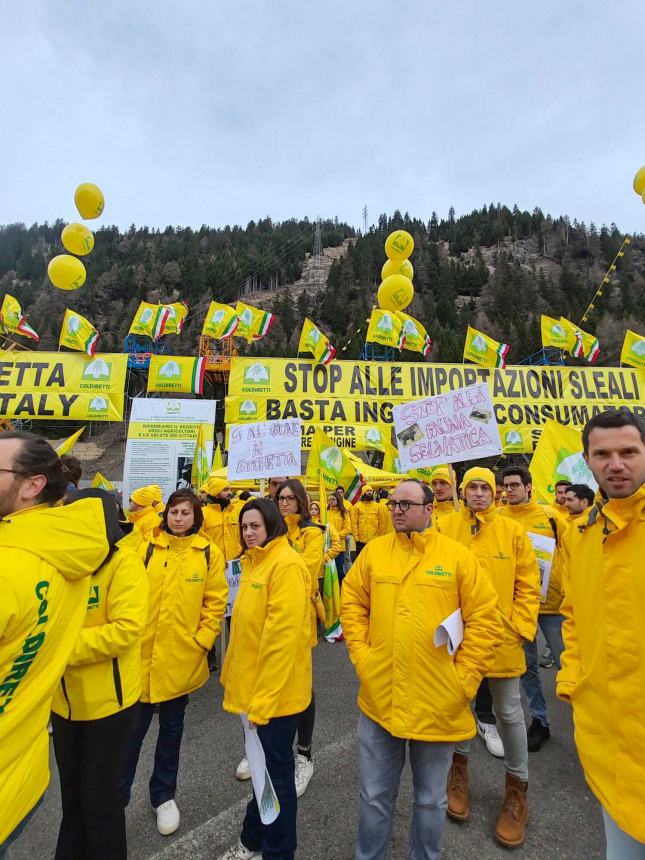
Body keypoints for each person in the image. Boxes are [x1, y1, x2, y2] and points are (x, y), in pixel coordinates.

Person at [341, 479, 501, 860]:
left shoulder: (458, 557)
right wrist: (364, 658)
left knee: (431, 802)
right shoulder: (375, 553)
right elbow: (352, 605)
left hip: (439, 703)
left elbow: (484, 621)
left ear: (429, 510)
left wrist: (462, 683)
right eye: (393, 503)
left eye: (406, 504)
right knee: (374, 797)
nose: (396, 509)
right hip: (381, 698)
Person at [0, 432, 118, 855]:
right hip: (21, 770)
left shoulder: (15, 564)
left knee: (102, 802)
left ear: (32, 485)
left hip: (111, 696)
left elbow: (127, 626)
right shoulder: (64, 553)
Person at [557, 410, 645, 858]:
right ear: (587, 462)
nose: (616, 463)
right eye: (603, 454)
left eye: (628, 452)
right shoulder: (581, 536)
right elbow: (573, 613)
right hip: (608, 740)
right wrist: (572, 680)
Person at [437, 467, 540, 849]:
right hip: (458, 638)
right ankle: (457, 774)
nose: (478, 493)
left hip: (502, 639)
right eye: (472, 487)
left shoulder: (513, 531)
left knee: (509, 712)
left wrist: (519, 627)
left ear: (495, 493)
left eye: (485, 487)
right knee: (459, 705)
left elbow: (528, 583)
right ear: (463, 492)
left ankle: (517, 790)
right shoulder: (445, 525)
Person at [120, 489, 227, 836]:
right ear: (164, 514)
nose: (178, 518)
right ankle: (115, 797)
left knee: (171, 732)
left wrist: (201, 642)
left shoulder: (209, 553)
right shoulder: (146, 545)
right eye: (173, 512)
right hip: (140, 659)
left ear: (196, 517)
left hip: (181, 660)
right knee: (129, 736)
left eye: (185, 513)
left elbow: (215, 602)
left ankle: (163, 795)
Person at [50, 489, 149, 860]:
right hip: (63, 706)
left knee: (102, 805)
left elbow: (125, 629)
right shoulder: (59, 565)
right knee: (72, 800)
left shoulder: (124, 564)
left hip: (110, 707)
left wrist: (61, 649)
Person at [218, 498, 312, 860]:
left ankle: (278, 851)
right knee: (264, 775)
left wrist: (264, 701)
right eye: (244, 527)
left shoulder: (285, 565)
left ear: (271, 525)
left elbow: (282, 641)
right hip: (254, 694)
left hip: (273, 699)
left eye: (255, 526)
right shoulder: (255, 563)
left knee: (276, 778)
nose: (248, 533)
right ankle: (253, 840)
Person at [501, 466, 568, 752]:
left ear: (529, 487)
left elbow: (575, 551)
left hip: (554, 605)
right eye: (505, 486)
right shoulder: (500, 519)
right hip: (520, 606)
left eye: (515, 485)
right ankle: (540, 721)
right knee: (528, 668)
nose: (509, 491)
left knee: (570, 664)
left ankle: (592, 723)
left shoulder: (551, 517)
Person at [276, 479, 324, 798]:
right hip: (270, 620)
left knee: (301, 685)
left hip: (300, 619)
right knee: (273, 683)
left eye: (291, 498)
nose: (285, 503)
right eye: (280, 498)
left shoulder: (312, 533)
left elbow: (305, 573)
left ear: (302, 502)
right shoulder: (271, 529)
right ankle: (272, 746)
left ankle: (304, 754)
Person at [201, 475, 243, 561]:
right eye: (225, 490)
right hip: (213, 563)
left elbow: (241, 537)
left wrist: (239, 553)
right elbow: (200, 540)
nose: (230, 493)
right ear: (215, 493)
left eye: (229, 489)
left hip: (234, 563)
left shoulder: (235, 511)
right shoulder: (203, 513)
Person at [351, 484, 390, 555]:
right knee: (361, 562)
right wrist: (356, 538)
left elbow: (382, 523)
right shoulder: (357, 506)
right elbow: (354, 523)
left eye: (371, 491)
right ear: (363, 493)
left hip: (374, 540)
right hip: (361, 541)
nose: (369, 492)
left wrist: (380, 538)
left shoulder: (377, 506)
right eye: (367, 491)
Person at [327, 491, 352, 585]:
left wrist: (335, 537)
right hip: (327, 546)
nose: (331, 501)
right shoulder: (326, 512)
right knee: (329, 571)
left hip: (339, 547)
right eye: (330, 500)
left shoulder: (344, 513)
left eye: (333, 499)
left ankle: (342, 587)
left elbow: (347, 529)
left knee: (339, 571)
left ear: (338, 500)